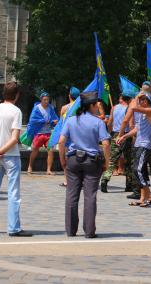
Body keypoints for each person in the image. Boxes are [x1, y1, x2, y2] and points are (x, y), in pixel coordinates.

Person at [59, 91, 110, 238]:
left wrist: (63, 160)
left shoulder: (71, 120)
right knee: (90, 196)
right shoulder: (98, 122)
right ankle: (89, 231)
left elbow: (62, 141)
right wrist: (107, 163)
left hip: (73, 160)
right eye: (97, 105)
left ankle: (70, 230)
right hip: (91, 161)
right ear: (92, 105)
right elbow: (106, 144)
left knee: (71, 195)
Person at [0, 81, 32, 236]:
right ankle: (13, 228)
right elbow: (14, 138)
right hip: (10, 156)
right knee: (13, 192)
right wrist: (1, 151)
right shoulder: (16, 111)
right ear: (16, 95)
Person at [117, 92, 151, 207]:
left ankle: (149, 196)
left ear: (147, 101)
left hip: (145, 145)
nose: (140, 101)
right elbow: (137, 129)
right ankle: (142, 198)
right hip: (139, 144)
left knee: (137, 170)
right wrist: (124, 136)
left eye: (143, 99)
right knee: (141, 171)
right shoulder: (143, 114)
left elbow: (133, 107)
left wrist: (136, 97)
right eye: (140, 99)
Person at [100, 92, 132, 193]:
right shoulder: (130, 108)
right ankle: (129, 184)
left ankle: (105, 180)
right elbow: (130, 124)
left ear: (121, 98)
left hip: (115, 135)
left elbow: (110, 122)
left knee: (112, 160)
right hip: (126, 135)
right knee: (129, 161)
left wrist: (109, 134)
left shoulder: (114, 108)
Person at [27, 92, 59, 175]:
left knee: (50, 150)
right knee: (35, 150)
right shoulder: (36, 108)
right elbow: (32, 120)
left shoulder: (50, 108)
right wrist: (45, 121)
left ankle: (48, 170)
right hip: (38, 133)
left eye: (48, 100)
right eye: (45, 100)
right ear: (41, 100)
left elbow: (54, 118)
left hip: (48, 133)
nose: (46, 101)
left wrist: (55, 122)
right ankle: (30, 166)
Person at [59, 87, 80, 187]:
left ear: (69, 96)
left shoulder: (64, 108)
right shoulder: (80, 107)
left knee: (67, 158)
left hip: (66, 136)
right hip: (78, 136)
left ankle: (67, 180)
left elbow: (60, 123)